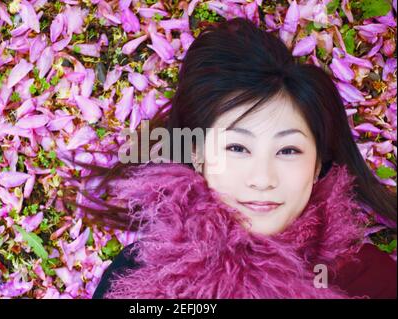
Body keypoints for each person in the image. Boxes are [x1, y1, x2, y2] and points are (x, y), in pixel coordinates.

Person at [63, 18, 397, 299]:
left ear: (317, 165)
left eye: (288, 150)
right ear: (198, 155)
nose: (263, 179)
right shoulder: (137, 277)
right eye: (237, 148)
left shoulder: (370, 280)